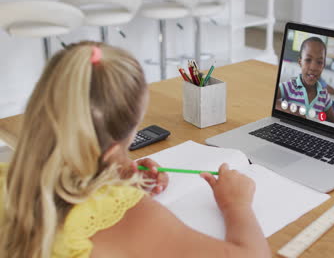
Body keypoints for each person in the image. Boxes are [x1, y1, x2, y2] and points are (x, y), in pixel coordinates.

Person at [0, 41, 271, 258]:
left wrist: (108, 180)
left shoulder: (6, 179)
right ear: (117, 145)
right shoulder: (126, 217)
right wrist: (235, 204)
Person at [276, 37, 334, 123]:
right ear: (300, 62)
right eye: (308, 60)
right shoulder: (289, 87)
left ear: (323, 66)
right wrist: (286, 109)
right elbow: (269, 99)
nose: (313, 67)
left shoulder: (324, 96)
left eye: (319, 62)